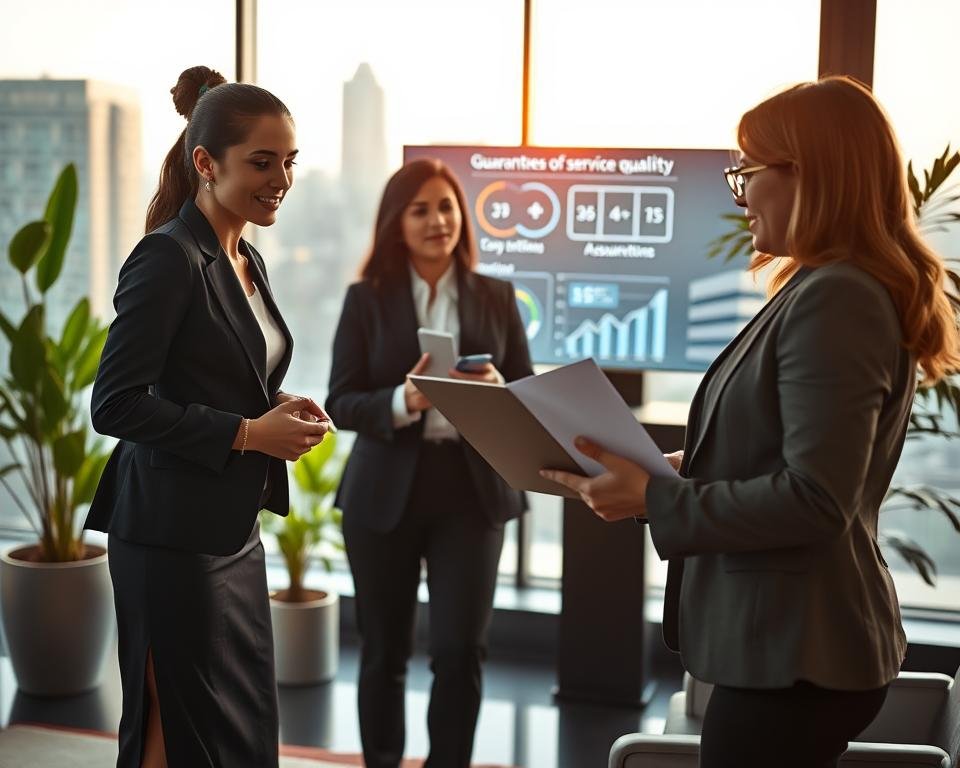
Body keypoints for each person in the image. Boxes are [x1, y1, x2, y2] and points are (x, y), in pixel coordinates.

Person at [542, 75, 960, 768]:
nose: (739, 194)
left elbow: (817, 499)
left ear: (812, 175)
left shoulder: (838, 299)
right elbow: (797, 461)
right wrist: (675, 473)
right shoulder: (823, 285)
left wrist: (654, 497)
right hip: (791, 647)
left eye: (748, 172)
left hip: (797, 654)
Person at [84, 66, 332, 768]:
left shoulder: (246, 256)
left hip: (231, 531)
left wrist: (275, 405)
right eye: (261, 162)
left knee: (241, 732)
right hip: (168, 540)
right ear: (205, 162)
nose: (280, 178)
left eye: (289, 162)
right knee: (179, 731)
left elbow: (219, 374)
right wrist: (253, 433)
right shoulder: (166, 258)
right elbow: (116, 404)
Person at [326, 158, 534, 768]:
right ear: (397, 223)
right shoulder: (366, 300)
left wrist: (500, 389)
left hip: (471, 494)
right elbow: (341, 400)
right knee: (383, 651)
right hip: (384, 492)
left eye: (445, 207)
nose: (437, 220)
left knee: (460, 650)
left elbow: (526, 396)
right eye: (420, 209)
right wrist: (402, 399)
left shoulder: (495, 295)